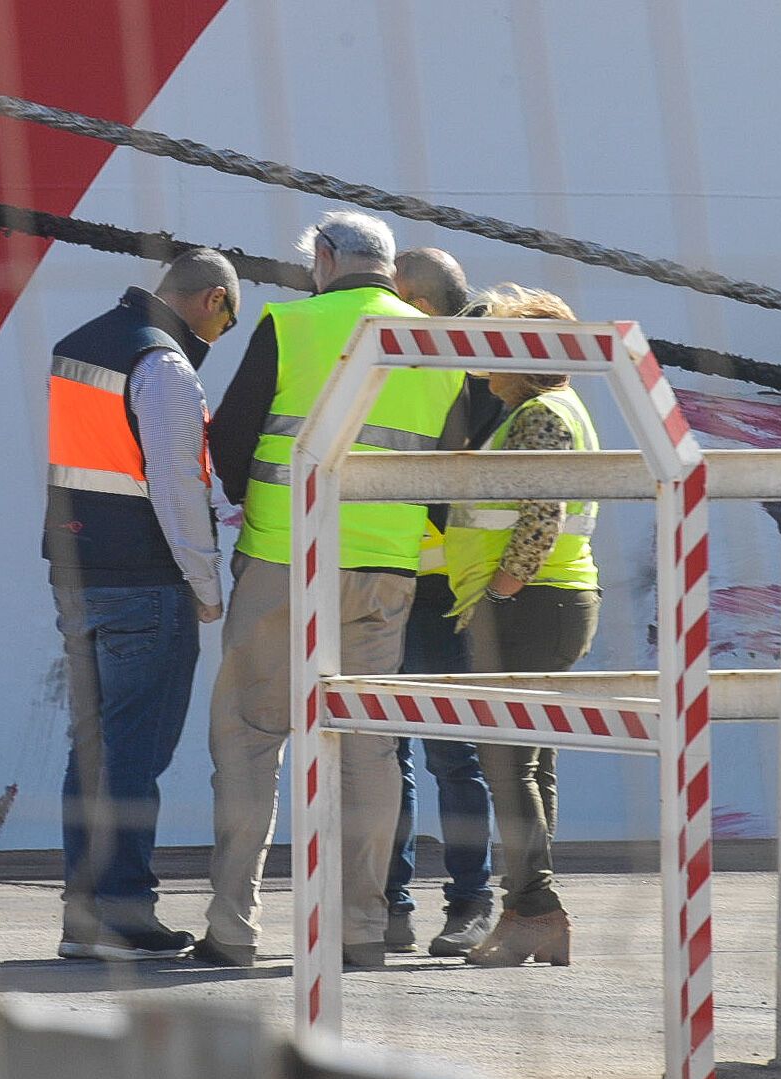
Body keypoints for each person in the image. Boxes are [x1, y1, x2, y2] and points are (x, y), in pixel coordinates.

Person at [197, 211, 462, 969]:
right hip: (385, 568)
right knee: (370, 747)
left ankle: (233, 927)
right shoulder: (435, 340)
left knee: (250, 737)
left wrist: (247, 499)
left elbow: (233, 435)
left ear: (323, 258)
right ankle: (362, 928)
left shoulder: (291, 322)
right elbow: (450, 461)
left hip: (284, 558)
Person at [45, 248, 240, 961]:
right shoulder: (163, 365)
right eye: (227, 322)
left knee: (92, 746)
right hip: (146, 581)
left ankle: (84, 912)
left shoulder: (78, 346)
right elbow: (177, 484)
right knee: (133, 752)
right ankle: (123, 914)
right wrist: (206, 584)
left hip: (78, 572)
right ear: (213, 301)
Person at [446, 285, 603, 968]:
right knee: (528, 761)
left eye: (496, 345)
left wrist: (502, 591)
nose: (486, 359)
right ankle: (526, 908)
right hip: (551, 601)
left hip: (529, 602)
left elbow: (542, 510)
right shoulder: (545, 408)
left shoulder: (539, 413)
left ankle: (536, 908)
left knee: (508, 764)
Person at [382, 248, 501, 957]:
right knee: (389, 752)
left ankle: (469, 903)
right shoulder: (445, 361)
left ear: (416, 299)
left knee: (450, 756)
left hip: (442, 590)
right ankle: (393, 906)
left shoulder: (479, 367)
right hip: (398, 577)